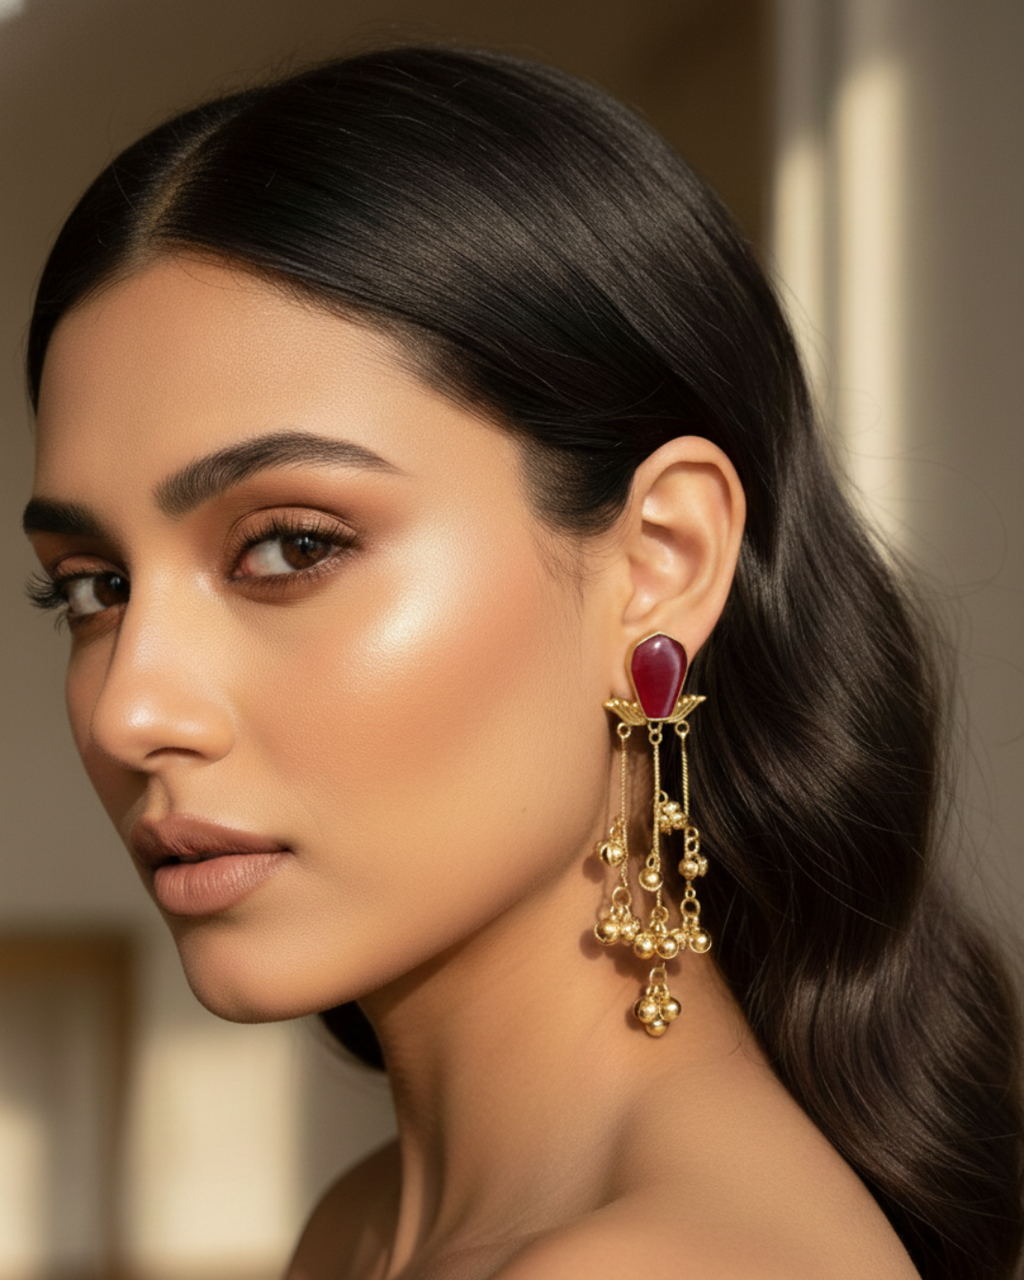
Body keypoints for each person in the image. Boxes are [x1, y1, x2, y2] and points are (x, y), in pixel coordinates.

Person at [20, 46, 1023, 1280]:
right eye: (92, 586)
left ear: (659, 558)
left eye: (290, 545)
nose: (131, 708)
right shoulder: (369, 1226)